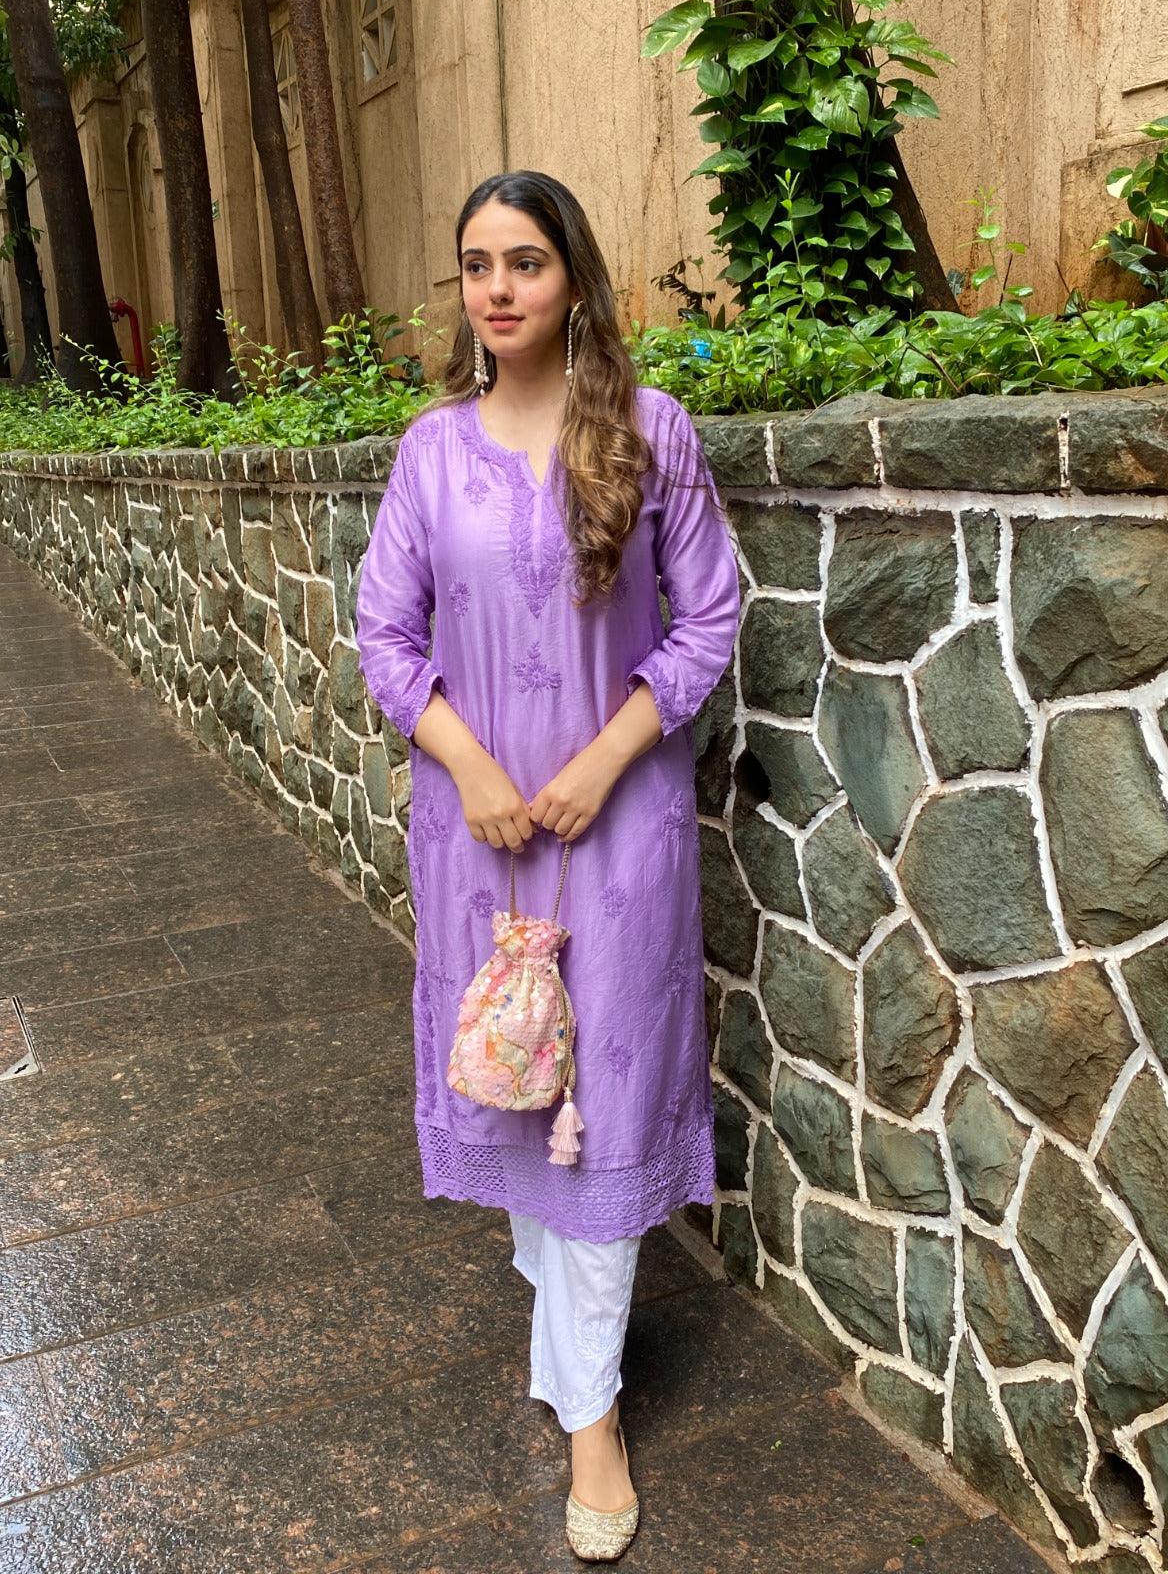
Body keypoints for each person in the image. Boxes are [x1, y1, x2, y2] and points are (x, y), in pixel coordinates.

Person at [354, 169, 740, 1562]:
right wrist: (470, 766)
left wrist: (600, 761)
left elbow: (709, 619)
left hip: (618, 832)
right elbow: (385, 634)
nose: (498, 288)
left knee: (607, 1098)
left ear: (572, 277)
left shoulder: (649, 434)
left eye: (524, 260)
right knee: (515, 1078)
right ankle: (568, 1346)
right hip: (480, 839)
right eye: (477, 264)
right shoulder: (429, 454)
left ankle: (592, 1413)